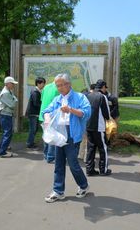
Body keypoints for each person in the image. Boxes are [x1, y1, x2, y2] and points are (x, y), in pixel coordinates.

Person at [43, 73, 91, 203]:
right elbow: (46, 110)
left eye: (61, 85)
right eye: (57, 86)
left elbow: (86, 113)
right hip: (59, 133)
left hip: (72, 134)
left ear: (68, 84)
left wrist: (71, 110)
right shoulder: (57, 99)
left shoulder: (80, 97)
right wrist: (47, 118)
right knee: (58, 163)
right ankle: (58, 191)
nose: (59, 88)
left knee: (73, 163)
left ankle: (83, 185)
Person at [86, 79, 112, 176]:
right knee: (103, 148)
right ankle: (103, 170)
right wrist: (109, 119)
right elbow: (107, 114)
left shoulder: (88, 95)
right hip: (99, 127)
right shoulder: (102, 96)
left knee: (91, 149)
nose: (106, 90)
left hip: (88, 125)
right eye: (105, 88)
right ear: (103, 87)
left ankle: (89, 170)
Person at [39, 80, 59, 163]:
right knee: (52, 136)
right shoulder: (58, 88)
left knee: (46, 135)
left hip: (43, 115)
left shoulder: (46, 87)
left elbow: (42, 99)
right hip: (52, 116)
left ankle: (46, 154)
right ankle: (50, 156)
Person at [0, 76, 18, 158]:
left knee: (6, 132)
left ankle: (2, 148)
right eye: (12, 83)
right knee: (7, 133)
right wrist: (15, 100)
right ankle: (2, 152)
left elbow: (13, 101)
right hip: (5, 114)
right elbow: (12, 104)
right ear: (7, 84)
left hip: (6, 114)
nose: (13, 85)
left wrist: (14, 99)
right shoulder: (6, 93)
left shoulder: (9, 91)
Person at [26, 77, 46, 149]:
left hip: (35, 113)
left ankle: (31, 142)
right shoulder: (35, 91)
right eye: (43, 83)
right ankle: (29, 144)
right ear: (38, 83)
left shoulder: (38, 91)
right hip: (33, 113)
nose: (44, 85)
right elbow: (36, 103)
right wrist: (44, 104)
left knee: (35, 129)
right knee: (33, 129)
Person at [78, 83, 96, 162]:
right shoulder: (92, 96)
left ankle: (80, 155)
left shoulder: (79, 97)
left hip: (80, 120)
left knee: (82, 138)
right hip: (89, 120)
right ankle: (87, 157)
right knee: (88, 139)